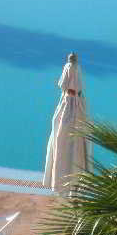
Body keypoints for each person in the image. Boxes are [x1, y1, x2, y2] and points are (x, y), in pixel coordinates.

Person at [43, 53, 89, 194]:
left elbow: (62, 84)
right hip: (75, 102)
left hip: (70, 102)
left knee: (62, 141)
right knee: (75, 146)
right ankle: (75, 183)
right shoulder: (76, 69)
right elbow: (74, 86)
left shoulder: (68, 68)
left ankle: (62, 182)